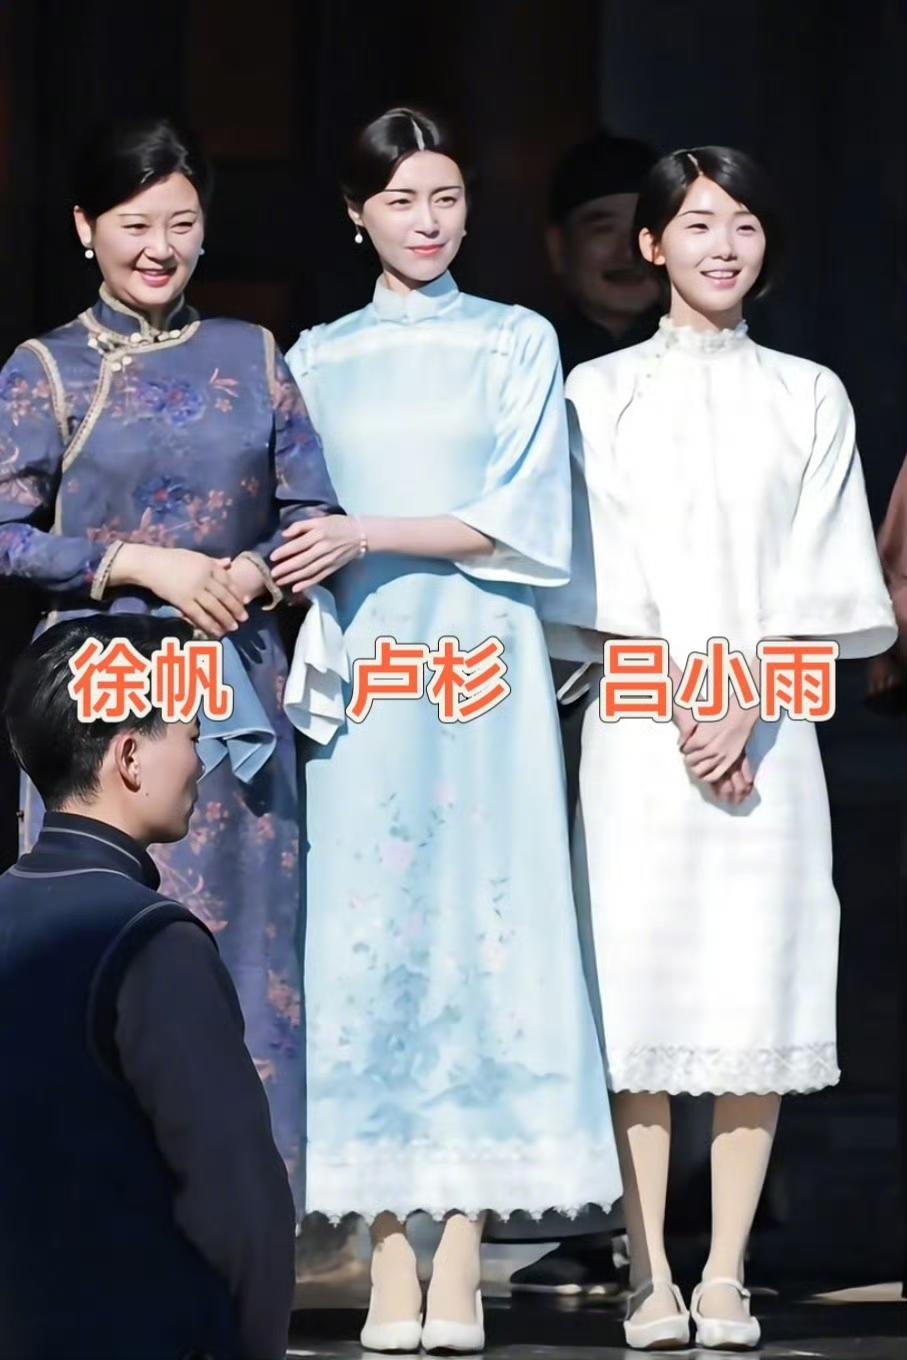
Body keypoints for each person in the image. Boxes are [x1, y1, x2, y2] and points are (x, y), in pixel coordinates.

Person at [270, 106, 620, 1355]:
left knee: (485, 927)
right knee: (367, 939)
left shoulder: (516, 341)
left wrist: (363, 533)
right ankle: (385, 1249)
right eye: (402, 199)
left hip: (480, 671)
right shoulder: (315, 358)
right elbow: (288, 513)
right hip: (369, 674)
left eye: (448, 197)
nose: (428, 221)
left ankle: (462, 1245)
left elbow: (523, 516)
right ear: (356, 213)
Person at [541, 145, 896, 1350]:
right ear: (652, 245)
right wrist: (695, 707)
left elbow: (829, 573)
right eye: (696, 224)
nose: (722, 245)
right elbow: (589, 576)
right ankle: (648, 1269)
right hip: (640, 730)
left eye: (742, 223)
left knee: (758, 986)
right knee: (636, 992)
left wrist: (743, 699)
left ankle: (728, 1270)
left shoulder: (809, 394)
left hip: (771, 730)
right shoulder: (595, 394)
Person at [0, 116, 340, 1196]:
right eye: (134, 224)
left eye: (182, 224)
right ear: (85, 227)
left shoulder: (255, 354)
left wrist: (251, 572)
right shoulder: (45, 368)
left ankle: (248, 1233)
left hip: (231, 692)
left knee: (246, 955)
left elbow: (313, 514)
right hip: (99, 697)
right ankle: (96, 1224)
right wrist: (136, 561)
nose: (159, 248)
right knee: (100, 938)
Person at [0, 614, 296, 1360]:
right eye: (192, 736)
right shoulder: (152, 941)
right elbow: (240, 1202)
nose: (200, 761)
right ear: (130, 757)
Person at [502, 127, 664, 1306]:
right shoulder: (525, 366)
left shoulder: (727, 364)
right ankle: (576, 1208)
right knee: (566, 939)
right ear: (557, 248)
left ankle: (677, 1214)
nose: (618, 250)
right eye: (594, 227)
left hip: (686, 695)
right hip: (547, 691)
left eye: (633, 226)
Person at [546, 130, 662, 376]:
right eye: (604, 229)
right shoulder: (525, 360)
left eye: (645, 228)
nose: (629, 252)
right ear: (558, 247)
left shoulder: (714, 360)